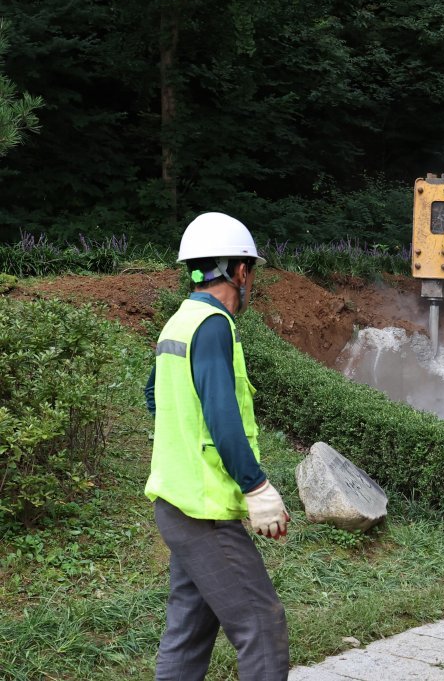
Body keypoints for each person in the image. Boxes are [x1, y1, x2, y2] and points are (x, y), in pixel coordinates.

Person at [144, 212, 290, 680]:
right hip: (202, 513)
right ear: (241, 272)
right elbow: (224, 420)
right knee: (262, 627)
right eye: (252, 272)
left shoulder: (179, 321)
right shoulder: (214, 326)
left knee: (188, 635)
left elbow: (154, 395)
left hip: (176, 502)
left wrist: (185, 439)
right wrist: (257, 486)